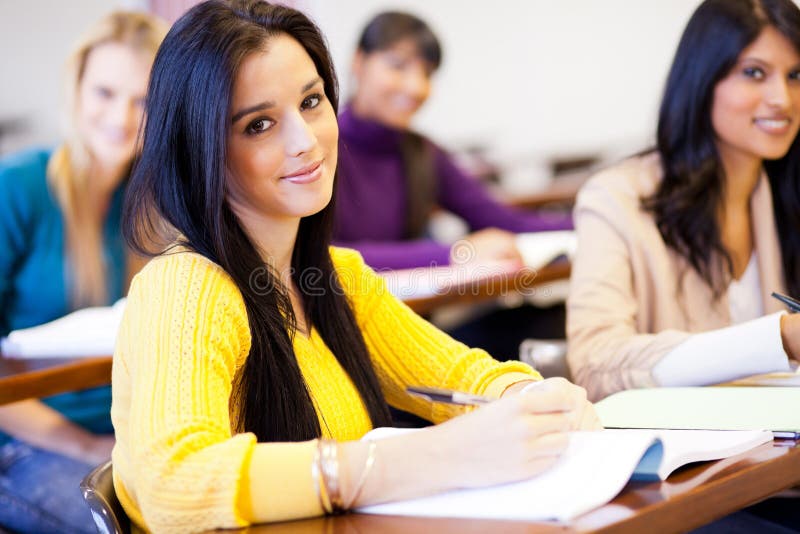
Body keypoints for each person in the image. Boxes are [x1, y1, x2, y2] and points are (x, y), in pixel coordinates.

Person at [113, 1, 599, 531]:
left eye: (311, 101)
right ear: (199, 150)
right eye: (259, 124)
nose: (306, 141)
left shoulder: (337, 278)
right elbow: (174, 483)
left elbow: (461, 376)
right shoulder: (186, 285)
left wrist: (532, 398)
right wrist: (425, 457)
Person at [567, 0, 800, 402]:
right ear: (701, 79)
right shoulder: (616, 198)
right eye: (754, 73)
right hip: (683, 441)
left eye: (796, 75)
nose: (782, 98)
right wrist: (778, 337)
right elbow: (594, 363)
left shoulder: (785, 189)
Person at [0, 11, 166, 534]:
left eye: (143, 100)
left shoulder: (155, 204)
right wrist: (88, 445)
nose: (121, 116)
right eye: (105, 93)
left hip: (129, 439)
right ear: (75, 92)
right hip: (26, 444)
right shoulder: (18, 189)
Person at [334, 11, 571, 271]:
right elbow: (325, 255)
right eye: (398, 66)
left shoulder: (422, 152)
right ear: (359, 61)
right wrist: (457, 253)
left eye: (427, 73)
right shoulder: (321, 149)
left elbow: (505, 221)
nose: (416, 87)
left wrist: (593, 217)